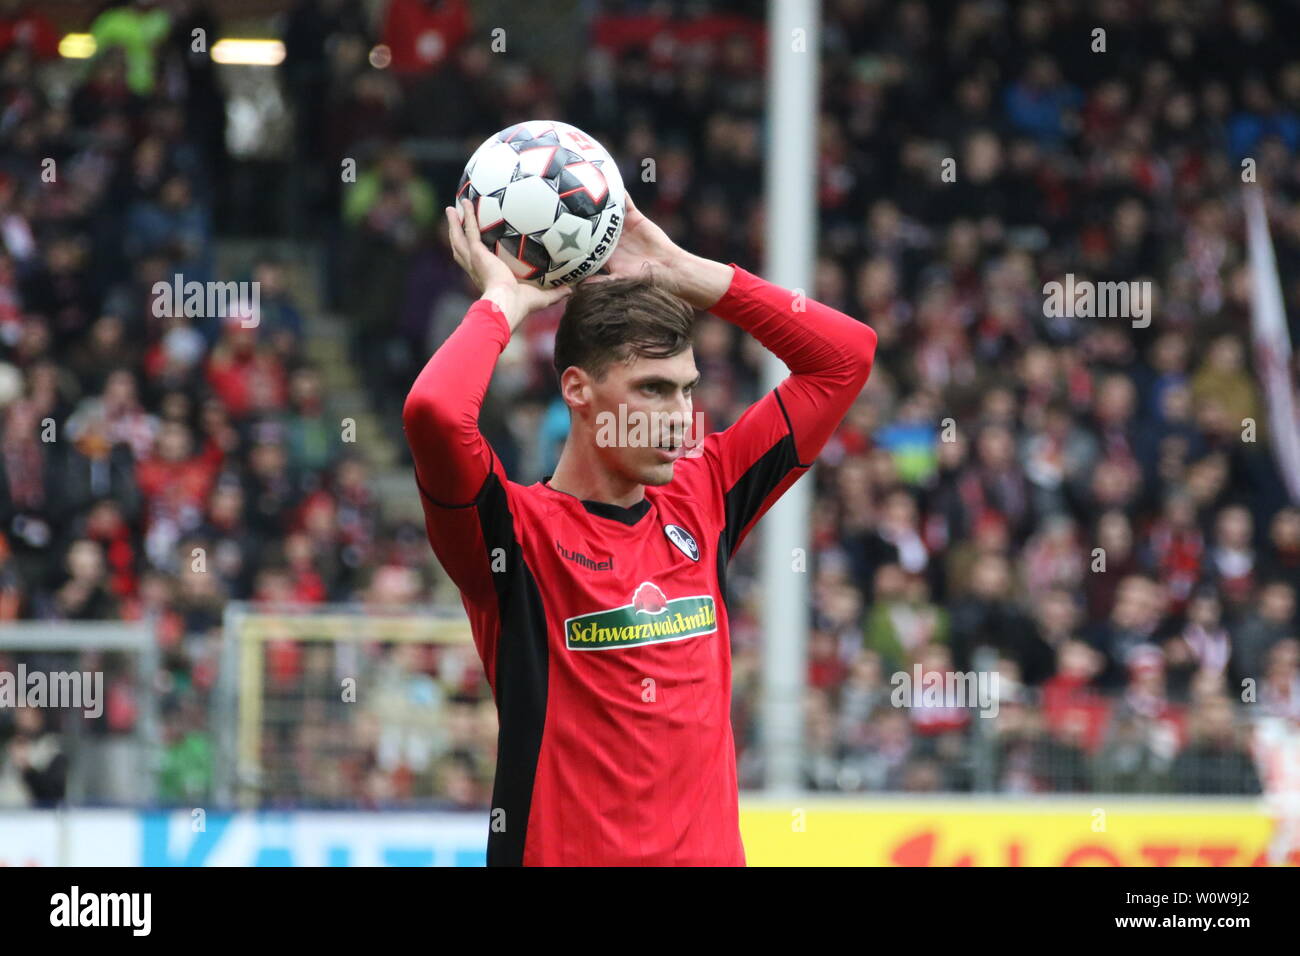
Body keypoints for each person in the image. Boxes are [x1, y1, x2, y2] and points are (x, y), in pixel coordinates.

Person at [403, 195, 877, 865]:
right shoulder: (511, 536)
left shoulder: (704, 493)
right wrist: (504, 302)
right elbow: (433, 411)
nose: (682, 417)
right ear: (577, 390)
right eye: (654, 389)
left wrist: (686, 271)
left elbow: (846, 357)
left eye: (687, 389)